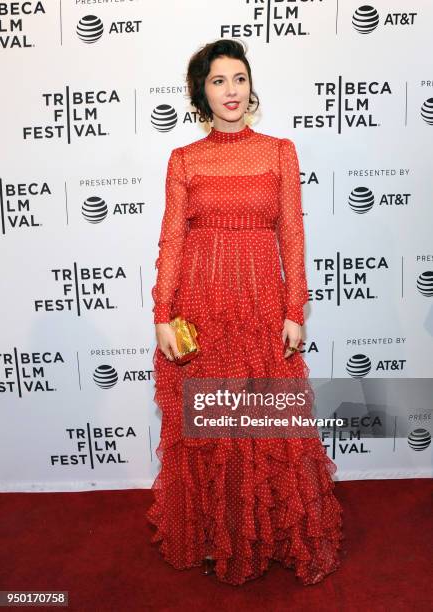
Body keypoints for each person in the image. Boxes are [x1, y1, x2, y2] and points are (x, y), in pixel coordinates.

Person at [146, 39, 343, 586]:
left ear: (251, 86)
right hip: (201, 307)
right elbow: (171, 239)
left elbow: (292, 233)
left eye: (238, 78)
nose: (230, 91)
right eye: (217, 81)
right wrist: (163, 313)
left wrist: (294, 308)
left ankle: (272, 535)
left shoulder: (280, 150)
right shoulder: (184, 159)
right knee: (214, 430)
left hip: (260, 308)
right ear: (200, 93)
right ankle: (218, 536)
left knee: (266, 427)